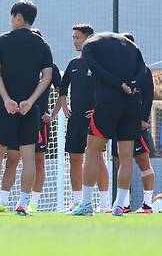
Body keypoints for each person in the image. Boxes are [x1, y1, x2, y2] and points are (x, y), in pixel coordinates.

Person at [0, 0, 53, 216]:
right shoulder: (42, 44)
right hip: (30, 111)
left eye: (12, 16)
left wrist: (7, 99)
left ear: (18, 17)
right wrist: (31, 101)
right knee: (29, 158)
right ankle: (23, 204)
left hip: (4, 109)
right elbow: (47, 76)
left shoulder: (3, 41)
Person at [67, 32, 146, 216]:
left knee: (92, 151)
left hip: (107, 103)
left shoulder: (90, 46)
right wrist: (133, 85)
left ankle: (86, 203)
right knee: (125, 157)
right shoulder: (131, 46)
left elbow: (97, 70)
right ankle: (119, 205)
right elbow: (143, 70)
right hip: (132, 103)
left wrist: (119, 84)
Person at [52, 24, 110, 212]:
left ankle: (104, 203)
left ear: (88, 38)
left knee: (98, 160)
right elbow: (62, 87)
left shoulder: (100, 62)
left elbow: (110, 88)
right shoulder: (73, 64)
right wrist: (65, 104)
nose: (74, 41)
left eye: (77, 37)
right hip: (75, 119)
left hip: (94, 120)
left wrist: (98, 110)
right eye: (73, 37)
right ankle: (77, 201)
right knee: (74, 159)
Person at [109, 33, 155, 214]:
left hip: (136, 125)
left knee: (143, 162)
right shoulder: (114, 70)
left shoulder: (143, 69)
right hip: (118, 124)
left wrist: (144, 119)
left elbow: (149, 96)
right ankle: (124, 203)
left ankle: (147, 204)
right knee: (120, 162)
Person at [28, 29, 62, 212]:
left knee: (38, 161)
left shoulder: (50, 68)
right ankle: (7, 200)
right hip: (18, 119)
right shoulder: (19, 64)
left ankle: (32, 203)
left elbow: (61, 93)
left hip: (39, 121)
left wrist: (53, 115)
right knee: (13, 159)